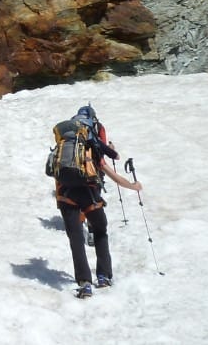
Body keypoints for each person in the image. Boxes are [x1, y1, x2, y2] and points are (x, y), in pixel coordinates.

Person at [54, 105, 142, 298]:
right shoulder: (91, 143)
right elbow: (114, 169)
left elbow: (52, 170)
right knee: (100, 231)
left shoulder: (63, 143)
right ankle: (103, 276)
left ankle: (84, 283)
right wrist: (134, 186)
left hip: (66, 195)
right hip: (90, 196)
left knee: (76, 240)